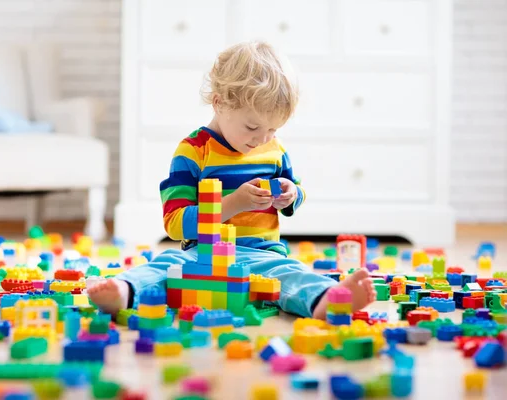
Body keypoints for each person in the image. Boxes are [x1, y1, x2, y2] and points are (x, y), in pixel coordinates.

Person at [88, 41, 375, 319]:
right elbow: (175, 223)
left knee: (292, 273)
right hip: (203, 256)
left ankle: (327, 300)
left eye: (273, 129)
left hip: (262, 255)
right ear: (219, 103)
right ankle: (124, 291)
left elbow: (294, 190)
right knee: (164, 266)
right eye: (252, 127)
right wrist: (233, 203)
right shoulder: (193, 151)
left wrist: (291, 194)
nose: (262, 139)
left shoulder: (274, 150)